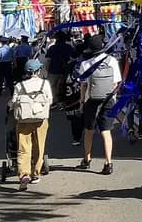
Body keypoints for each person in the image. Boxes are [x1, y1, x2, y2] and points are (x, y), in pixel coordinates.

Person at [76, 35, 121, 174]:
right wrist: (113, 97)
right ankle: (108, 163)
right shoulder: (112, 61)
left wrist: (81, 103)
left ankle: (87, 159)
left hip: (91, 101)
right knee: (106, 132)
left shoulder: (86, 64)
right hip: (108, 100)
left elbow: (83, 86)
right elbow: (116, 83)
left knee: (89, 131)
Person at [11, 59, 53, 191]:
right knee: (39, 147)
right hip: (40, 119)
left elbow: (14, 102)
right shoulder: (45, 84)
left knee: (23, 148)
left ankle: (24, 174)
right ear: (38, 71)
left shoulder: (19, 85)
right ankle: (35, 173)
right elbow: (50, 100)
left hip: (23, 120)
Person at [45, 31, 76, 101]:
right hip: (65, 70)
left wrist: (47, 69)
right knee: (63, 85)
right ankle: (62, 99)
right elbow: (73, 57)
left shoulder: (52, 48)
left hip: (53, 70)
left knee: (52, 86)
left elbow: (48, 60)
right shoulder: (68, 47)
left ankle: (54, 100)